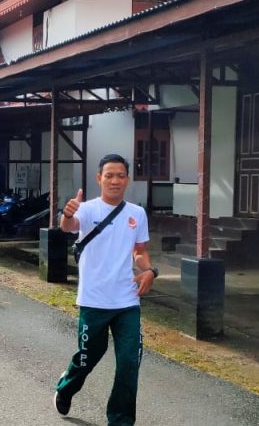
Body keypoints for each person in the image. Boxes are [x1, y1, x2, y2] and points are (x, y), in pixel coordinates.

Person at [53, 153, 157, 425]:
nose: (115, 181)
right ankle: (66, 387)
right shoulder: (87, 209)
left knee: (129, 363)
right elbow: (68, 227)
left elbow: (139, 250)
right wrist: (67, 214)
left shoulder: (137, 213)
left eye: (120, 176)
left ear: (127, 180)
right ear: (99, 178)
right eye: (109, 175)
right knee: (88, 356)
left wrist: (149, 270)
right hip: (94, 301)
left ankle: (120, 420)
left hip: (127, 301)